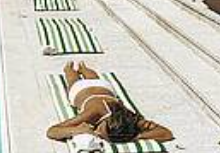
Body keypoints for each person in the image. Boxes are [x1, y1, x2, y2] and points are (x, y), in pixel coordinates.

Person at [46, 61, 174, 144]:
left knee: (93, 77)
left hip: (104, 87)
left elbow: (167, 133)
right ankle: (69, 68)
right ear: (106, 121)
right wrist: (78, 129)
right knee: (71, 79)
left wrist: (135, 137)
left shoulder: (128, 119)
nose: (97, 132)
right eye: (100, 130)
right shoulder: (93, 113)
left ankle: (83, 67)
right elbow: (52, 131)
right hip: (80, 89)